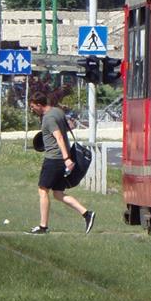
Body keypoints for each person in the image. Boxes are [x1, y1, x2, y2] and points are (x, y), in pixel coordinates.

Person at [27, 91, 96, 235]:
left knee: (43, 190)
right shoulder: (57, 111)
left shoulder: (48, 118)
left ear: (39, 105)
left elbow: (58, 137)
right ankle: (87, 214)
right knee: (58, 193)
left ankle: (43, 226)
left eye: (33, 107)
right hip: (61, 158)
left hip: (54, 159)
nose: (32, 109)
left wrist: (67, 159)